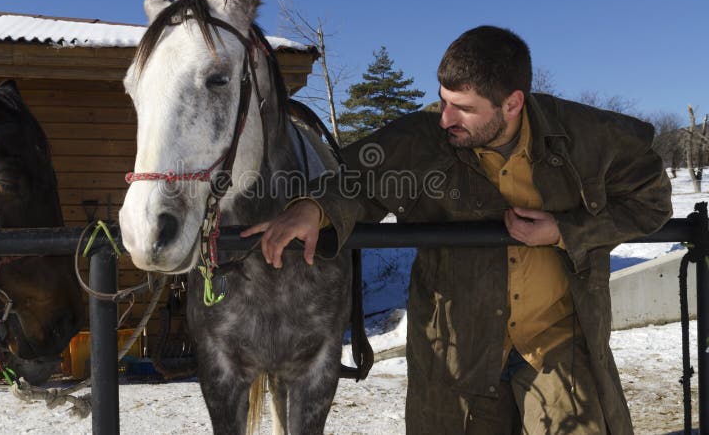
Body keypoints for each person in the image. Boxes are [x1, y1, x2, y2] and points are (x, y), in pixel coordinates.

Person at [242, 25, 672, 434]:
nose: (446, 118)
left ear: (512, 104)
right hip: (457, 349)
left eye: (463, 108)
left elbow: (652, 202)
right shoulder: (422, 139)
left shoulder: (586, 137)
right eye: (443, 100)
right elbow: (352, 179)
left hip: (556, 340)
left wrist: (564, 230)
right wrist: (314, 208)